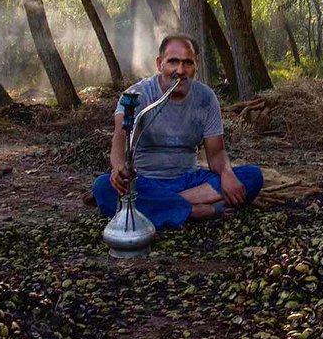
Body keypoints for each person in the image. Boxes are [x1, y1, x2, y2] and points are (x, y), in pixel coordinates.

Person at [91, 34, 263, 229]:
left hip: (190, 180)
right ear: (159, 63)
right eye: (173, 61)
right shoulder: (137, 95)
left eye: (187, 63)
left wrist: (227, 172)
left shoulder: (206, 98)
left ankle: (165, 206)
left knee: (252, 176)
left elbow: (215, 153)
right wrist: (118, 168)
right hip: (146, 181)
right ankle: (193, 211)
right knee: (103, 188)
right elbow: (120, 139)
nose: (180, 70)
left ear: (196, 66)